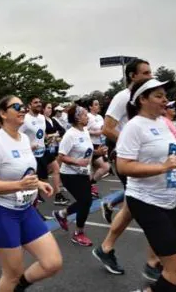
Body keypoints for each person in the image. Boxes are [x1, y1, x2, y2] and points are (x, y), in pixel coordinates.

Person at [118, 78, 176, 292]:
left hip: (168, 202)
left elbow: (169, 158)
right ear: (142, 100)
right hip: (146, 201)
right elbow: (123, 167)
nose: (165, 100)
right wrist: (163, 168)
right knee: (175, 270)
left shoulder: (163, 123)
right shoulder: (134, 127)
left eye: (165, 95)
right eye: (159, 96)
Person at [0, 95, 62, 292]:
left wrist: (39, 183)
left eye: (23, 106)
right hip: (1, 213)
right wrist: (20, 185)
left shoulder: (25, 138)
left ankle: (19, 287)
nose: (22, 110)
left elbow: (25, 172)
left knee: (52, 263)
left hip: (25, 211)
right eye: (16, 107)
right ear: (2, 113)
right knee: (11, 274)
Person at [93, 58, 162, 279]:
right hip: (125, 158)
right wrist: (131, 143)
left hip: (140, 158)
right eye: (146, 72)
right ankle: (153, 262)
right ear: (132, 75)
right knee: (150, 204)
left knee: (133, 205)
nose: (151, 76)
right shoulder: (123, 97)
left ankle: (105, 249)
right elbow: (107, 128)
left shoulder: (143, 99)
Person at [53, 105, 105, 246]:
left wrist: (97, 152)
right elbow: (61, 156)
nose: (87, 117)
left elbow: (86, 151)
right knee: (85, 201)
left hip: (82, 173)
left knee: (85, 202)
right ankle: (78, 233)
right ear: (76, 117)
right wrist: (77, 161)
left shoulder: (85, 131)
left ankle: (62, 214)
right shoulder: (70, 134)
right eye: (84, 115)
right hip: (69, 174)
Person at [42, 102, 68, 206]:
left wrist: (56, 136)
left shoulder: (52, 120)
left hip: (53, 148)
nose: (50, 110)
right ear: (43, 109)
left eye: (51, 108)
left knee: (56, 169)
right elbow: (43, 135)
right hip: (44, 149)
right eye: (48, 108)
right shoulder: (41, 120)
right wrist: (53, 135)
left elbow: (62, 130)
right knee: (45, 173)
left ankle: (57, 194)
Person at [87, 98, 110, 199]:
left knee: (102, 168)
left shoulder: (100, 117)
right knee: (103, 167)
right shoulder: (88, 116)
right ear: (90, 107)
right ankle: (90, 188)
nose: (98, 106)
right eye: (95, 104)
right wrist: (96, 133)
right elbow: (83, 130)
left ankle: (91, 186)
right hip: (90, 144)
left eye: (98, 104)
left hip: (99, 144)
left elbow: (103, 128)